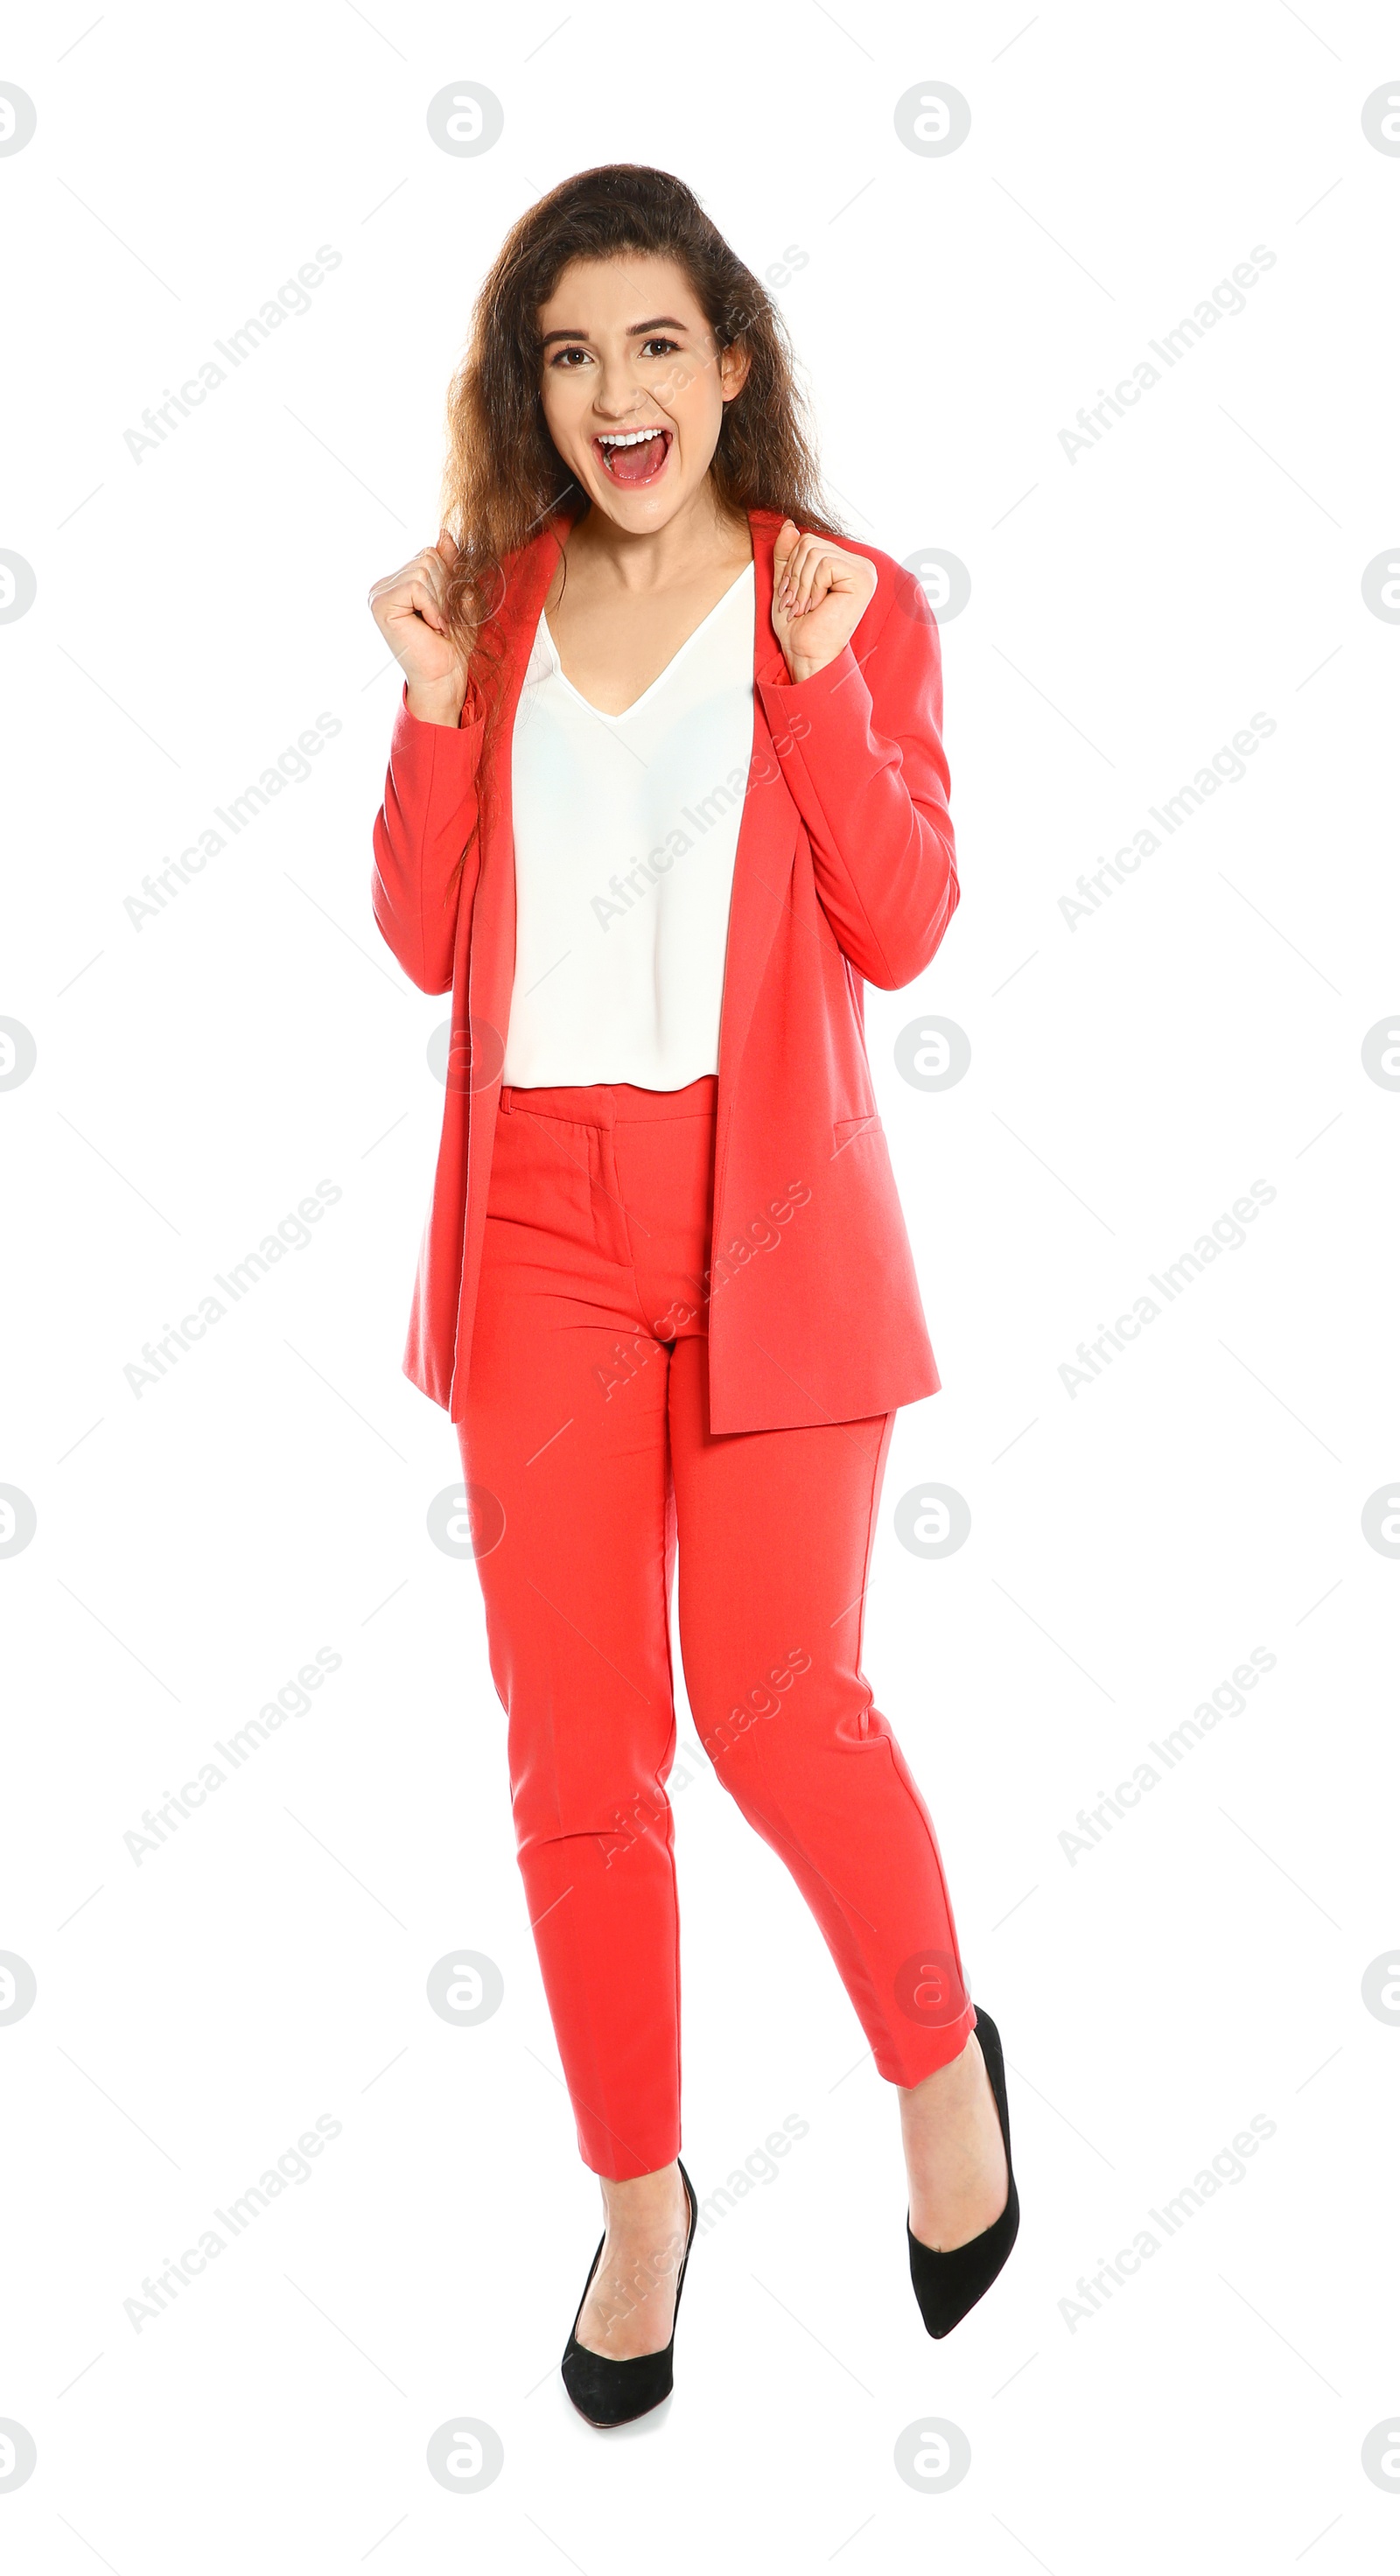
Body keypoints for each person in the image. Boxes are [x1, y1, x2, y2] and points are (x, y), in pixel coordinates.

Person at [368, 163, 1018, 2428]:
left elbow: (911, 919)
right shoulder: (497, 595)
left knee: (780, 1707)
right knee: (580, 1759)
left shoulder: (844, 598)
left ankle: (942, 2070)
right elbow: (426, 938)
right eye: (570, 353)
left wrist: (829, 693)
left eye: (657, 341)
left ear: (731, 359)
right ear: (526, 394)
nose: (616, 389)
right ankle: (643, 2206)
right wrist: (443, 706)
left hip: (770, 1215)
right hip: (539, 1214)